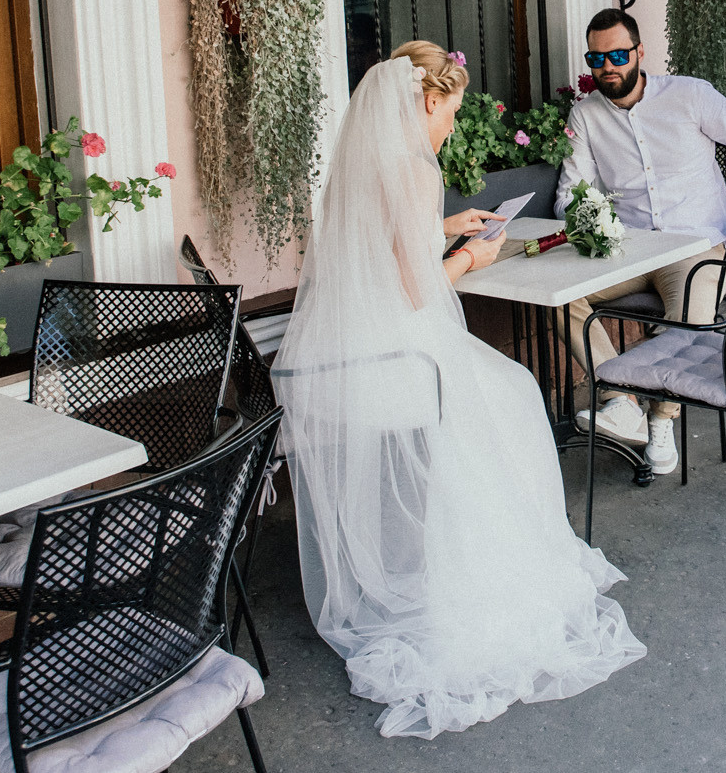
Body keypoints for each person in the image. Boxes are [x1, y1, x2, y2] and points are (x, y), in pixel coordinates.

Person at [271, 41, 644, 739]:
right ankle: (470, 567)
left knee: (503, 386)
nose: (450, 125)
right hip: (394, 351)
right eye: (453, 110)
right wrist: (472, 255)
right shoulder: (413, 163)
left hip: (344, 345)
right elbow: (417, 290)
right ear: (427, 101)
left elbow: (375, 242)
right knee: (514, 388)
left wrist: (442, 227)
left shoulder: (368, 159)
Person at [556, 8, 726, 476]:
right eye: (598, 58)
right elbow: (572, 195)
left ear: (639, 52)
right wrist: (586, 220)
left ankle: (661, 419)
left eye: (617, 54)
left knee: (689, 315)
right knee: (558, 298)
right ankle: (621, 403)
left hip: (693, 246)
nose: (608, 66)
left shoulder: (690, 95)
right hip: (628, 249)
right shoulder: (586, 115)